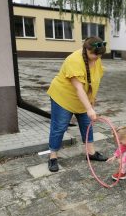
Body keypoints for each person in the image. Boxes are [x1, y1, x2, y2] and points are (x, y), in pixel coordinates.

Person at [46, 36, 108, 172]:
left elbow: (93, 82)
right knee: (59, 127)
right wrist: (89, 109)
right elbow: (79, 88)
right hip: (63, 98)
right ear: (86, 49)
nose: (97, 57)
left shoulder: (96, 58)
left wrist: (91, 102)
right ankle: (52, 157)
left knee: (87, 125)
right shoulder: (74, 60)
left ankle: (90, 153)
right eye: (94, 54)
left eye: (99, 55)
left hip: (83, 99)